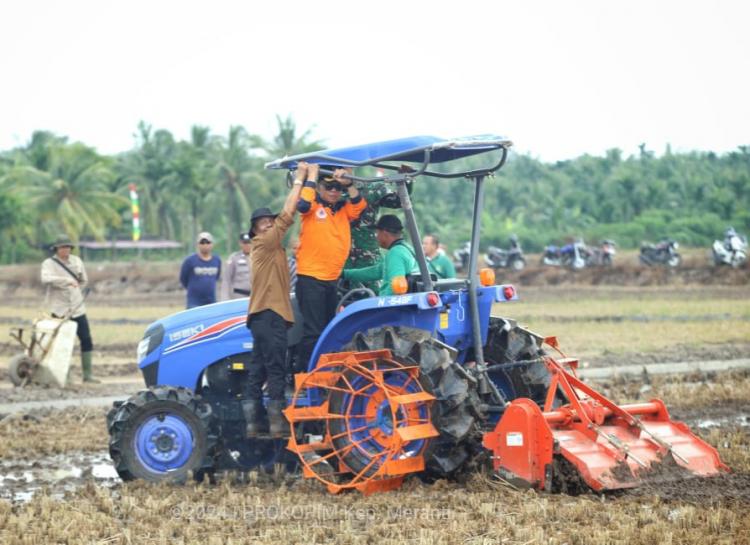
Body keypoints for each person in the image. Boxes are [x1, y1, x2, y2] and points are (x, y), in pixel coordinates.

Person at [243, 162, 306, 438]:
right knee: (276, 368)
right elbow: (288, 214)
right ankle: (278, 425)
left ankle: (253, 423)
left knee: (257, 369)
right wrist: (300, 180)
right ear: (256, 231)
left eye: (269, 221)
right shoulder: (266, 243)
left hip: (259, 317)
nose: (269, 224)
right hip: (270, 315)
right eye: (263, 223)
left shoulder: (268, 250)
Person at [295, 165, 367, 372]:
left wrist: (349, 183)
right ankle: (305, 375)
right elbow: (302, 204)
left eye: (337, 187)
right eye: (329, 187)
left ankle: (325, 373)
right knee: (313, 331)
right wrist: (312, 176)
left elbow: (359, 206)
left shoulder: (343, 210)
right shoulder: (312, 207)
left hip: (330, 279)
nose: (334, 191)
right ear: (320, 187)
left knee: (330, 328)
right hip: (310, 277)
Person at [40, 236, 98, 383]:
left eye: (68, 247)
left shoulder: (77, 261)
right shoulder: (49, 264)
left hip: (78, 308)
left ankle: (88, 375)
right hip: (59, 309)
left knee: (86, 340)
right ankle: (65, 375)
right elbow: (45, 279)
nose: (65, 249)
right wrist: (65, 281)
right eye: (62, 247)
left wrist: (76, 291)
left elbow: (83, 281)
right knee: (63, 344)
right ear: (56, 249)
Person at [345, 177, 408, 292]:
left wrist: (406, 181)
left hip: (367, 257)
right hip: (339, 261)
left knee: (372, 294)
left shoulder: (370, 189)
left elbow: (398, 201)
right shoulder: (329, 190)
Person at [343, 215, 418, 296]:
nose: (376, 237)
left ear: (384, 234)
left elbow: (395, 287)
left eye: (377, 233)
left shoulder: (396, 253)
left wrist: (379, 302)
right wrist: (345, 274)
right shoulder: (406, 249)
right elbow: (376, 271)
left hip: (390, 305)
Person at [179, 232, 221, 309]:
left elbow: (217, 277)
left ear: (212, 244)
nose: (205, 245)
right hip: (194, 302)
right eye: (202, 242)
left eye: (208, 242)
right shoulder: (190, 261)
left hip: (211, 301)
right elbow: (183, 279)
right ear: (197, 244)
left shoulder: (217, 260)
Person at [220, 232, 252, 301]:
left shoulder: (259, 258)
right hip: (239, 296)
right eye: (245, 243)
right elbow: (226, 280)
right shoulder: (234, 258)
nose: (248, 245)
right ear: (240, 243)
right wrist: (225, 299)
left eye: (249, 242)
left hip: (255, 298)